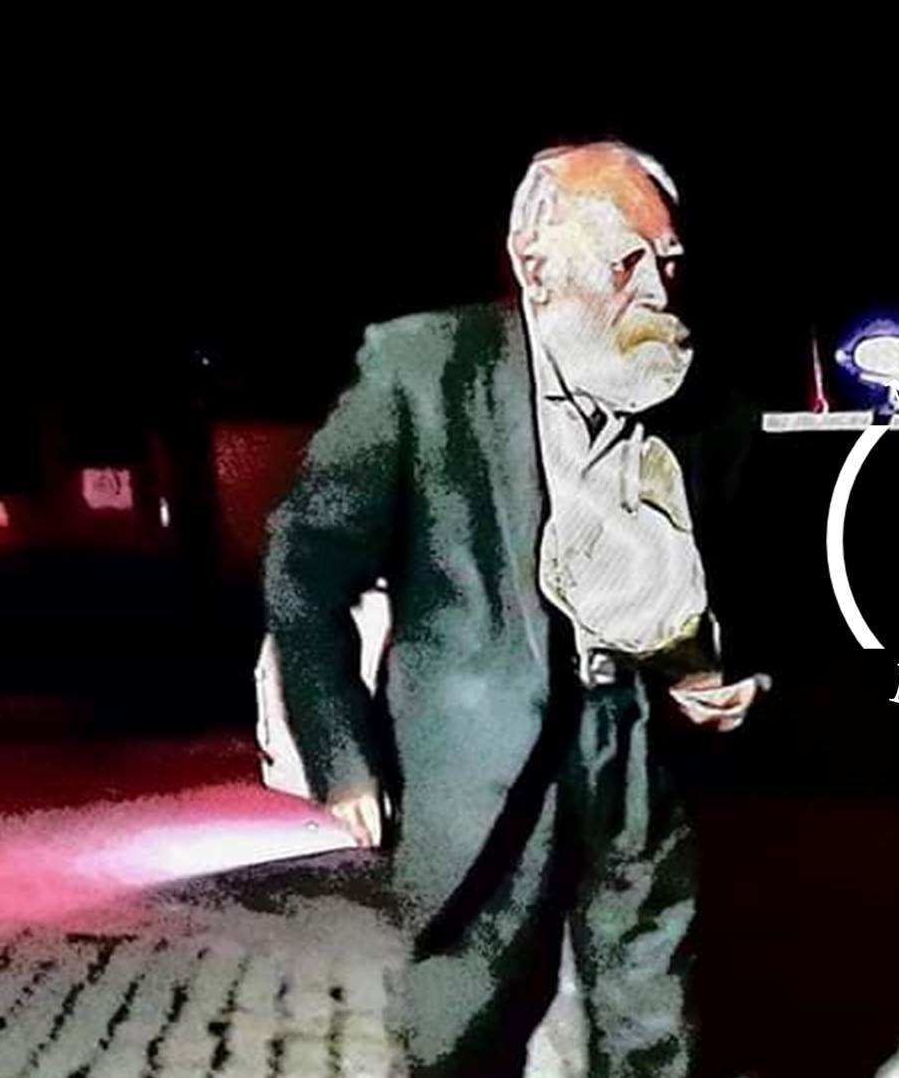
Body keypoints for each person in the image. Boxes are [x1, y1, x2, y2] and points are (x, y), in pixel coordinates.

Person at [265, 141, 766, 1077]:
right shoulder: (421, 367)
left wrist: (720, 668)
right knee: (470, 1023)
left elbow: (734, 564)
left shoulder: (695, 395)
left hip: (639, 744)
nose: (656, 289)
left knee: (657, 1016)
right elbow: (307, 568)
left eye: (668, 262)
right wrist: (342, 754)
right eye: (625, 262)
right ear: (536, 262)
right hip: (483, 761)